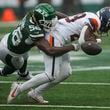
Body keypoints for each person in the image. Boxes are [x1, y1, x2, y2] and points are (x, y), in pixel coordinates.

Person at [7, 7, 110, 104]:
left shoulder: (91, 15)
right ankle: (18, 88)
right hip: (55, 36)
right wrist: (93, 42)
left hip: (59, 36)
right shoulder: (95, 22)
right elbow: (83, 41)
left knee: (65, 72)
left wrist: (93, 40)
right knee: (50, 74)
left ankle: (35, 93)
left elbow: (78, 29)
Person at [0, 3, 74, 80]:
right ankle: (2, 72)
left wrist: (71, 20)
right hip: (8, 52)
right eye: (48, 20)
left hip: (9, 39)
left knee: (25, 54)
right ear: (40, 20)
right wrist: (71, 47)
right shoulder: (34, 31)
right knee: (18, 63)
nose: (52, 21)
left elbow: (54, 14)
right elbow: (49, 50)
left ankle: (23, 74)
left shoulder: (33, 14)